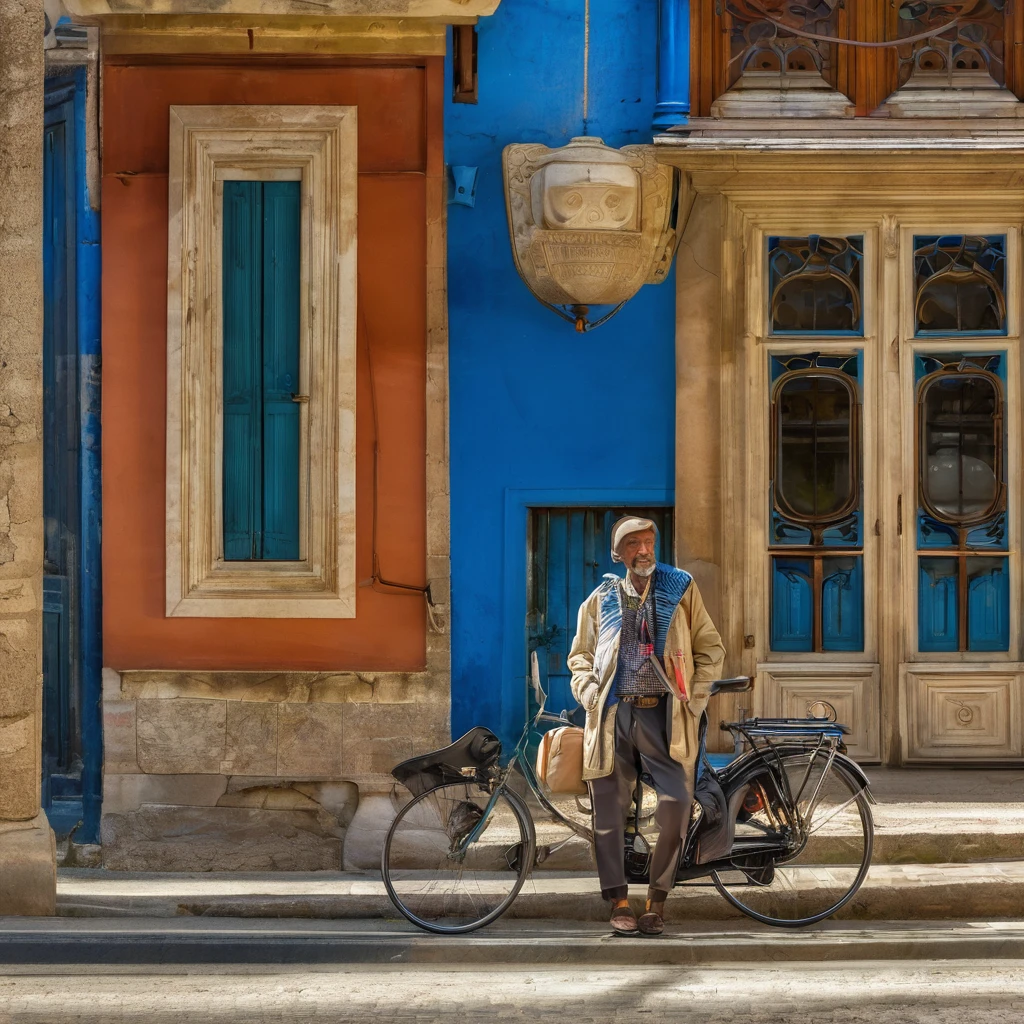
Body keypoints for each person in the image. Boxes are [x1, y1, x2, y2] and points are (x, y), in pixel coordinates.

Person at [567, 516, 725, 936]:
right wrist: (587, 694)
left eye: (649, 542)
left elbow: (711, 647)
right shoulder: (601, 598)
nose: (643, 550)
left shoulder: (680, 586)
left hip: (667, 714)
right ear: (618, 554)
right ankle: (618, 899)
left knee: (676, 803)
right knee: (608, 811)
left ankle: (657, 899)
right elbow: (579, 656)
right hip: (614, 715)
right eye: (633, 544)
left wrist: (696, 697)